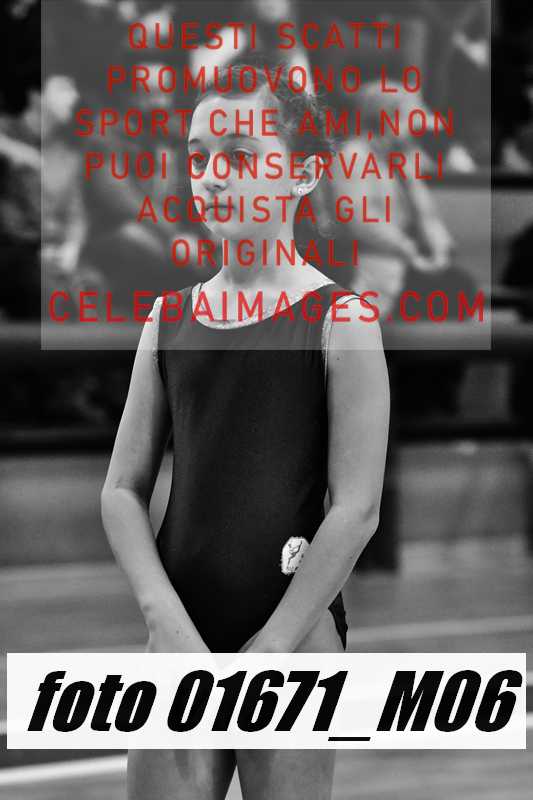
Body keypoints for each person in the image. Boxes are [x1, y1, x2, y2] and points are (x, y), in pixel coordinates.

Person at [101, 65, 389, 800]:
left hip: (294, 632)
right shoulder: (168, 318)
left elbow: (356, 508)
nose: (212, 177)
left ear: (301, 174)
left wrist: (277, 643)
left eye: (238, 156)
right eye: (199, 157)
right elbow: (122, 488)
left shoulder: (341, 320)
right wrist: (161, 617)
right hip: (182, 627)